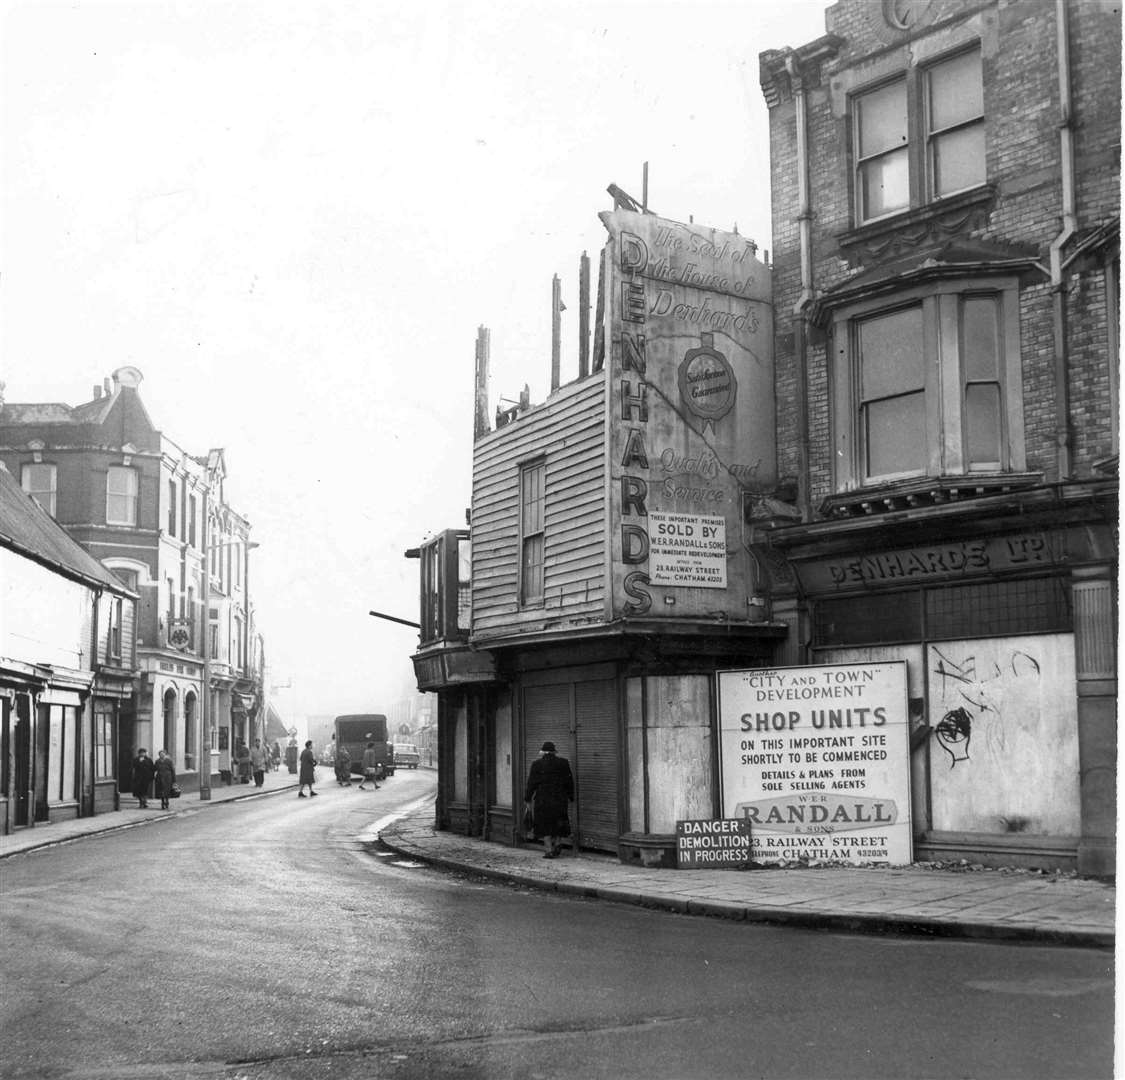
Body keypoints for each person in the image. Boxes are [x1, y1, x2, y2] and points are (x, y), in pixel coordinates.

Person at [524, 741, 574, 858]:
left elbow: (531, 783)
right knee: (559, 821)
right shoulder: (563, 763)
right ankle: (558, 843)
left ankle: (549, 850)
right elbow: (569, 782)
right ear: (554, 752)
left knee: (544, 824)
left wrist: (527, 798)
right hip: (560, 798)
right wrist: (571, 796)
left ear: (543, 752)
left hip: (543, 799)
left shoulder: (537, 764)